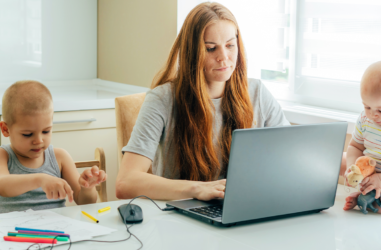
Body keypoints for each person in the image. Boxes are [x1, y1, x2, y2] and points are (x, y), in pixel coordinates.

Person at [115, 2, 290, 201]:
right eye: (210, 48)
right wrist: (198, 189)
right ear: (192, 53)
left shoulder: (257, 92)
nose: (224, 57)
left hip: (245, 206)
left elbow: (291, 154)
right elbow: (125, 183)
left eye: (230, 45)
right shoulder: (162, 100)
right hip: (182, 215)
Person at [0, 80, 107, 214]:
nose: (38, 140)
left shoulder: (60, 157)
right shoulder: (0, 155)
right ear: (5, 129)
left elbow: (84, 202)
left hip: (55, 233)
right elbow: (1, 185)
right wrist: (40, 179)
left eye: (46, 131)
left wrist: (87, 187)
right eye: (28, 134)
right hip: (12, 233)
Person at [343, 61, 381, 212]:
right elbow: (355, 146)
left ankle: (369, 202)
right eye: (367, 107)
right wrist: (352, 166)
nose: (372, 114)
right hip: (369, 176)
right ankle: (365, 197)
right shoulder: (365, 121)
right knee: (368, 187)